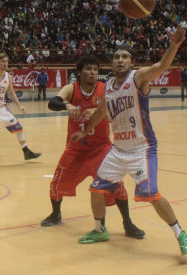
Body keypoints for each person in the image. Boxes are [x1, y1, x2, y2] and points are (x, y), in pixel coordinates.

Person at [70, 26, 187, 255]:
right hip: (118, 150)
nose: (119, 60)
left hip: (142, 149)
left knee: (151, 194)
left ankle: (180, 233)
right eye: (116, 57)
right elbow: (102, 110)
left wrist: (174, 45)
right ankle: (100, 229)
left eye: (124, 57)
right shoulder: (107, 85)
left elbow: (161, 66)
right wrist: (86, 131)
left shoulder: (139, 77)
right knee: (96, 190)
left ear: (131, 62)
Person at [41, 55, 144, 240]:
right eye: (88, 69)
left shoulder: (106, 89)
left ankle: (128, 223)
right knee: (57, 184)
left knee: (117, 186)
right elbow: (52, 103)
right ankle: (56, 214)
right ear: (79, 72)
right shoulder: (71, 89)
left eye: (95, 69)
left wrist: (99, 113)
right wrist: (68, 105)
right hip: (76, 149)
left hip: (101, 149)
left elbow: (117, 114)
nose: (92, 72)